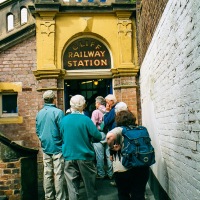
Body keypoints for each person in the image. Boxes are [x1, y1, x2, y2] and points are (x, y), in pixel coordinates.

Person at [60, 95, 102, 200]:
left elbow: (61, 136)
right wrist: (89, 139)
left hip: (69, 156)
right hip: (85, 156)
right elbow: (98, 136)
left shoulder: (63, 120)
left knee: (72, 188)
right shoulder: (86, 120)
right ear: (82, 105)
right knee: (90, 187)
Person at [106, 110, 149, 200]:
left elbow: (109, 137)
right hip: (142, 166)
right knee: (139, 195)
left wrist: (111, 147)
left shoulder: (120, 129)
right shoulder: (141, 129)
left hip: (123, 168)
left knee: (123, 194)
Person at [35, 90, 67, 200]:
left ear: (44, 99)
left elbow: (37, 131)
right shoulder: (58, 112)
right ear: (54, 99)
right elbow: (63, 130)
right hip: (57, 147)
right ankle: (60, 197)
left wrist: (43, 139)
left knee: (47, 173)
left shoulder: (39, 113)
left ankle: (48, 197)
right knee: (58, 174)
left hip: (45, 146)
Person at [91, 96, 113, 179]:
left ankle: (101, 174)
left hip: (99, 135)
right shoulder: (109, 111)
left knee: (99, 156)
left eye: (95, 102)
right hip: (109, 134)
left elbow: (92, 126)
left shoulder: (95, 112)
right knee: (109, 155)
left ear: (98, 103)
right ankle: (110, 174)